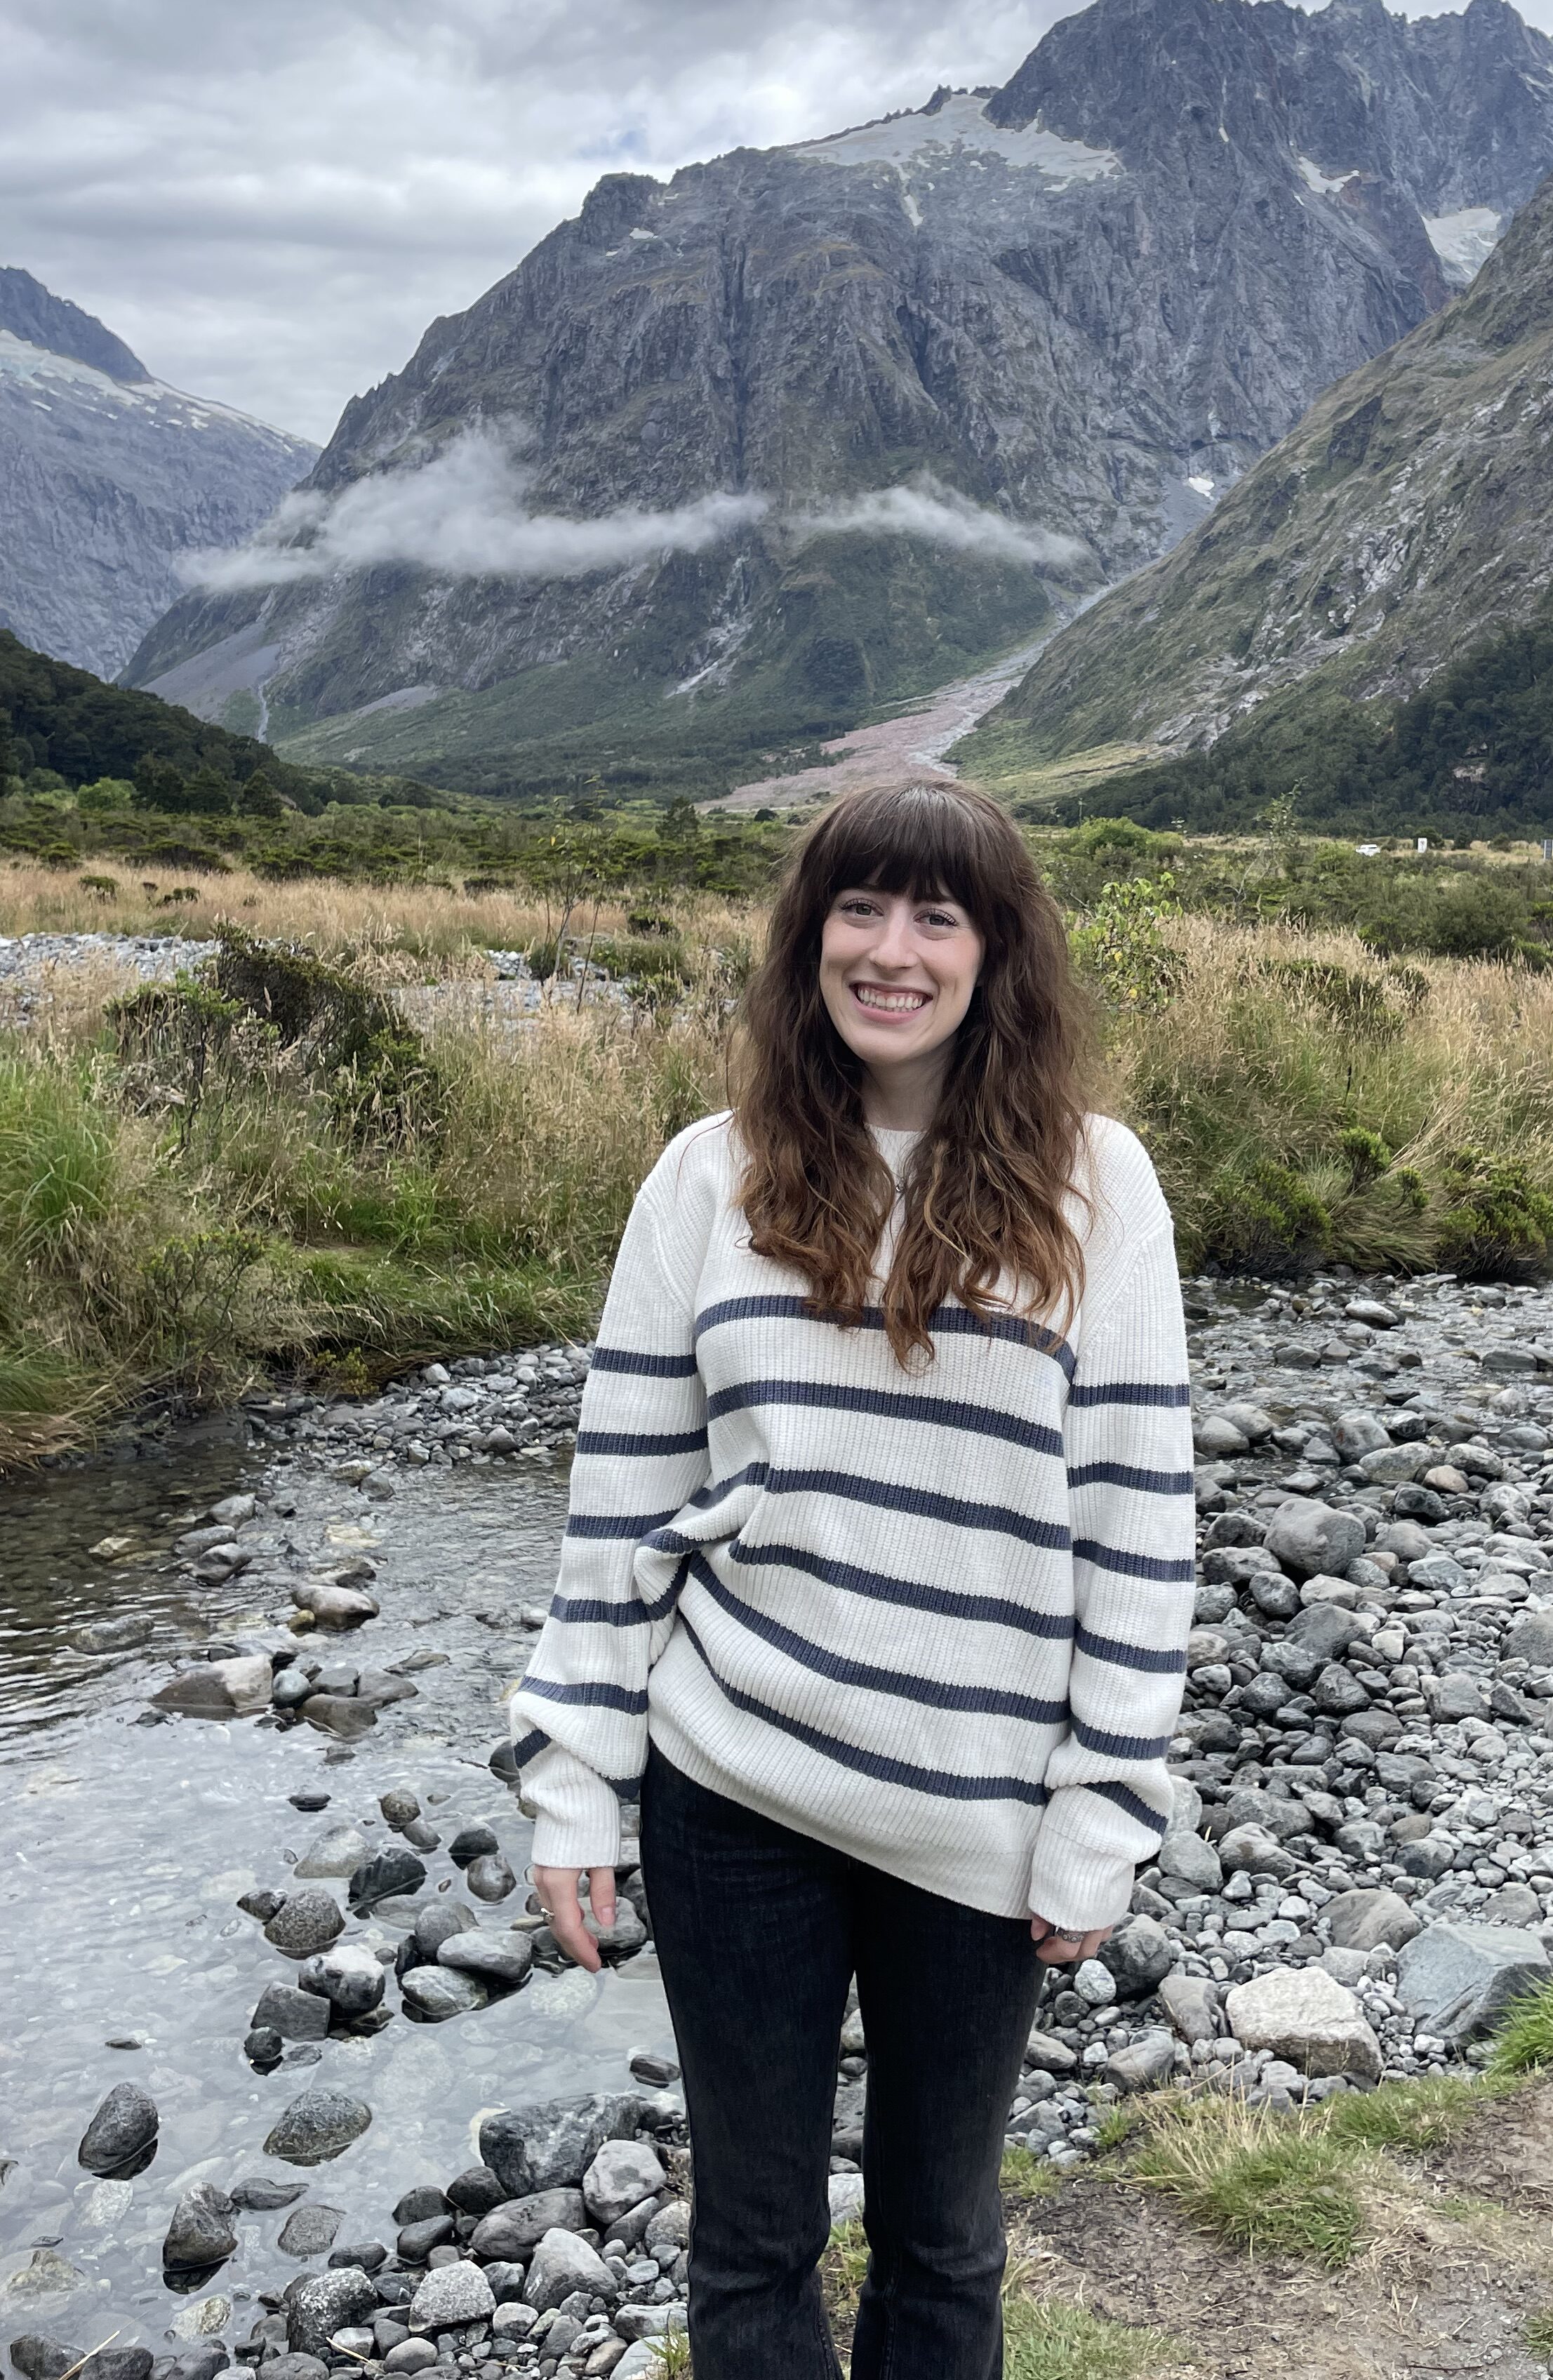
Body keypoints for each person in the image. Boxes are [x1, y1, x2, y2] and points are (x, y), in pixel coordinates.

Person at [511, 778, 1194, 2380]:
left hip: (979, 1814)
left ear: (996, 952)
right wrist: (574, 1780)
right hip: (731, 1790)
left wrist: (1103, 1814)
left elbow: (1140, 1520)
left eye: (936, 916)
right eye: (860, 909)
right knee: (752, 2243)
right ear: (809, 936)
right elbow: (625, 1498)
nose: (891, 951)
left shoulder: (1101, 1187)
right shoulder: (708, 1176)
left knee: (943, 2243)